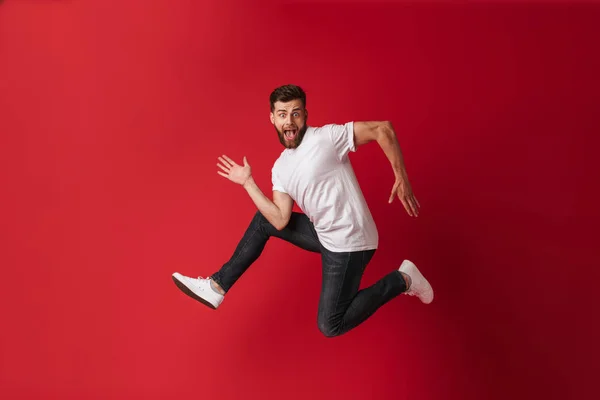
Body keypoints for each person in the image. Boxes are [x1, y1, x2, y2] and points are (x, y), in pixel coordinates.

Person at [172, 84, 433, 337]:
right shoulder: (281, 167)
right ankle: (217, 286)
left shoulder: (327, 138)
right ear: (273, 118)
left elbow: (382, 129)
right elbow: (279, 219)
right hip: (326, 236)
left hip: (351, 241)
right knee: (264, 220)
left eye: (295, 113)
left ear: (305, 115)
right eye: (283, 115)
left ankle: (403, 279)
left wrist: (401, 176)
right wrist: (248, 183)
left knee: (330, 325)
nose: (289, 121)